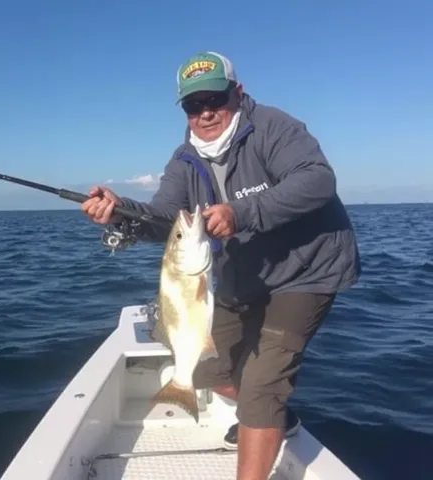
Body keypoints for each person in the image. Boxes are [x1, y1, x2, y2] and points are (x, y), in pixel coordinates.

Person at [82, 51, 361, 480]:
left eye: (216, 99)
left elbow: (317, 181)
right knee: (205, 369)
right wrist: (120, 211)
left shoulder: (274, 127)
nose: (206, 112)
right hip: (241, 272)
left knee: (263, 385)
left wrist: (241, 212)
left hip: (307, 270)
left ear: (238, 92)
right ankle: (271, 414)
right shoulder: (184, 160)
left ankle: (263, 408)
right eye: (194, 105)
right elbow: (163, 219)